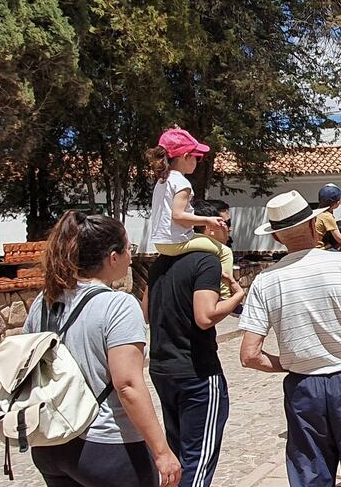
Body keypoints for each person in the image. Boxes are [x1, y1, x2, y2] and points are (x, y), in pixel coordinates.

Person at [238, 190, 341, 486]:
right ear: (313, 226)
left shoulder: (266, 280)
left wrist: (292, 362)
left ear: (276, 238)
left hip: (303, 385)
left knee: (309, 469)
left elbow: (249, 355)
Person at [23, 211, 181, 487]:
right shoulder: (118, 305)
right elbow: (128, 385)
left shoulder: (44, 300)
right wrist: (162, 451)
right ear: (112, 257)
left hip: (51, 440)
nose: (132, 256)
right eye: (128, 249)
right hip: (106, 444)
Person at [144, 199, 246, 487]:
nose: (228, 229)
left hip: (163, 368)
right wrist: (238, 297)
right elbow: (205, 317)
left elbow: (146, 313)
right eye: (225, 222)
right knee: (198, 459)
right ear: (208, 226)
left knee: (177, 454)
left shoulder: (160, 262)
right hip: (197, 370)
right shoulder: (208, 261)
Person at [146, 128, 235, 297]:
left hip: (161, 242)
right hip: (177, 241)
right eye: (197, 157)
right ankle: (225, 294)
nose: (198, 161)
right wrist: (207, 221)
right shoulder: (181, 182)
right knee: (225, 252)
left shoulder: (162, 181)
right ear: (186, 156)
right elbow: (178, 215)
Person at [313, 183, 341, 249]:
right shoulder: (327, 216)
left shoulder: (316, 213)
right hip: (318, 249)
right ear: (337, 203)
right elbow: (340, 238)